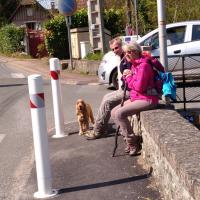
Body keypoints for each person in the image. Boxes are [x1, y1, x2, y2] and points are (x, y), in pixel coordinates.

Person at [111, 42, 160, 156]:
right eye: (126, 53)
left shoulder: (143, 66)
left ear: (135, 52)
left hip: (148, 98)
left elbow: (139, 87)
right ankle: (128, 138)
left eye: (128, 52)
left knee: (120, 114)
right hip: (138, 97)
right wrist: (130, 75)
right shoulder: (135, 64)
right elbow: (135, 85)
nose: (126, 55)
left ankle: (133, 143)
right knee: (114, 112)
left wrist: (128, 77)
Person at [85, 37, 132, 140]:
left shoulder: (128, 56)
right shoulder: (122, 57)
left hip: (130, 91)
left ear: (122, 45)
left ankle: (98, 131)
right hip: (124, 89)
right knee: (106, 96)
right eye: (113, 49)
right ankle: (100, 127)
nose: (115, 51)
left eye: (116, 48)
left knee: (107, 102)